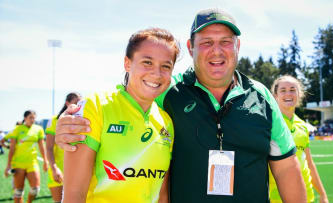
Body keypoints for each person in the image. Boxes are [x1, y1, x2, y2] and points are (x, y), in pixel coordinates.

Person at [55, 8, 307, 202]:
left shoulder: (261, 97)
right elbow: (128, 95)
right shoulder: (167, 90)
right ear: (191, 47)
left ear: (237, 46)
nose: (217, 51)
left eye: (225, 41)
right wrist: (72, 121)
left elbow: (286, 167)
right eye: (206, 42)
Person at [62, 27, 180, 203]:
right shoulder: (95, 107)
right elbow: (73, 196)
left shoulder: (166, 122)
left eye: (166, 66)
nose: (156, 73)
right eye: (147, 62)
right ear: (127, 63)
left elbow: (162, 196)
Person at [269, 75, 329, 203]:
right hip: (276, 198)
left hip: (306, 197)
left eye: (292, 89)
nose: (288, 94)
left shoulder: (302, 125)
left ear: (299, 94)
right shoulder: (269, 123)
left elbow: (309, 163)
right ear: (275, 96)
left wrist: (323, 194)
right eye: (283, 90)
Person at [4, 110, 48, 203]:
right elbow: (12, 149)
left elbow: (41, 147)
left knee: (35, 189)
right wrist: (8, 165)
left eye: (34, 118)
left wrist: (45, 161)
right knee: (18, 191)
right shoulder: (17, 129)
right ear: (25, 118)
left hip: (32, 163)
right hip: (18, 163)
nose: (32, 120)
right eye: (30, 118)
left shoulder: (38, 129)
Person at [45, 92, 81, 203]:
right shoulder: (55, 121)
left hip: (77, 170)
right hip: (59, 169)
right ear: (67, 103)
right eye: (75, 102)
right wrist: (54, 168)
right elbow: (49, 148)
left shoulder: (82, 120)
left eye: (80, 103)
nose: (77, 106)